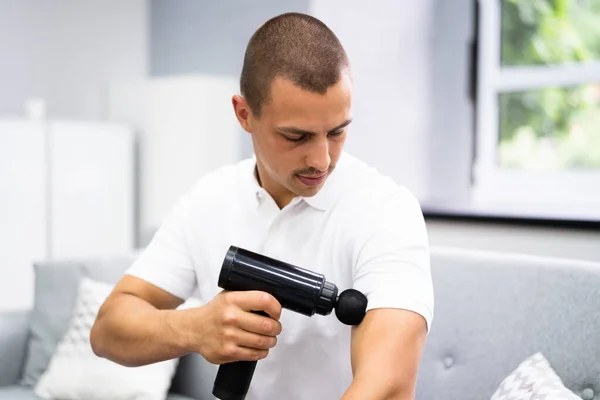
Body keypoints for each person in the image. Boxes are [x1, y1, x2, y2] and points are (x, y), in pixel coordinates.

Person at [91, 11, 433, 400]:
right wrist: (195, 328)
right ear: (244, 114)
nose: (322, 159)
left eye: (337, 131)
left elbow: (387, 387)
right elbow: (107, 330)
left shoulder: (387, 211)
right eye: (296, 136)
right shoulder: (208, 199)